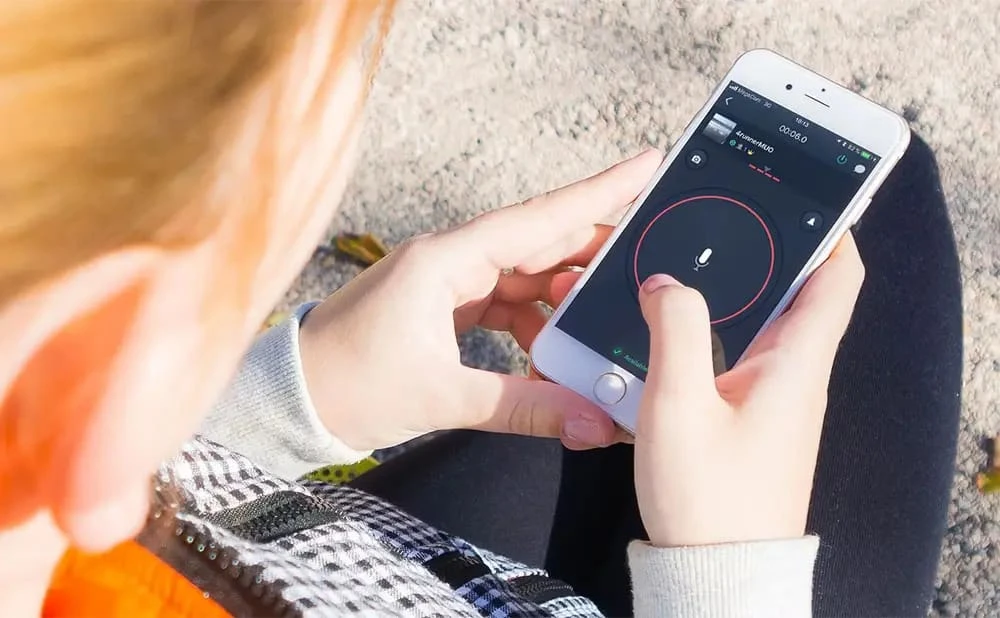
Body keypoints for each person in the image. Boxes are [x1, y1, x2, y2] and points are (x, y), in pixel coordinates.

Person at [0, 2, 961, 617]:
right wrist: (731, 579)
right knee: (887, 207)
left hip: (328, 551)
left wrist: (292, 400)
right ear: (104, 355)